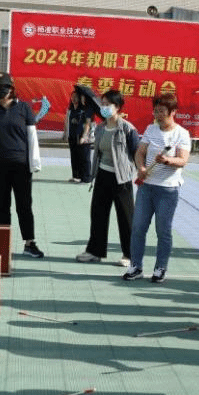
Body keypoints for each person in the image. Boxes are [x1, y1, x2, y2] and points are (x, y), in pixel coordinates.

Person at [123, 93, 191, 283]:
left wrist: (167, 160)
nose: (158, 115)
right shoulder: (150, 129)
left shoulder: (181, 134)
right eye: (156, 111)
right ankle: (135, 266)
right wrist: (141, 168)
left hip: (167, 190)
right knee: (138, 228)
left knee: (163, 231)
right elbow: (140, 152)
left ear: (173, 112)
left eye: (162, 111)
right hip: (146, 188)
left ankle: (160, 268)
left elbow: (183, 160)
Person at [0, 72, 44, 258]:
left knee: (24, 205)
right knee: (2, 206)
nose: (0, 90)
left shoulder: (24, 108)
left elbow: (32, 137)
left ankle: (29, 243)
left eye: (4, 87)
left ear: (12, 88)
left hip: (21, 167)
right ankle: (3, 245)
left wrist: (35, 163)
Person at [76, 89, 140, 267]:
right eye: (102, 104)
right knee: (98, 214)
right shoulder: (101, 127)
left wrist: (141, 172)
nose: (103, 108)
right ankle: (94, 252)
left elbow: (136, 153)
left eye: (107, 104)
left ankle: (129, 255)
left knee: (126, 217)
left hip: (122, 179)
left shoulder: (127, 128)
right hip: (102, 175)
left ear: (117, 107)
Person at [65, 86, 95, 183]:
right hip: (73, 137)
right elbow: (67, 122)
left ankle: (86, 178)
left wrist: (84, 136)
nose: (73, 99)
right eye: (72, 97)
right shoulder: (70, 110)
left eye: (76, 97)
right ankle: (76, 176)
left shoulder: (85, 109)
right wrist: (66, 134)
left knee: (84, 158)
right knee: (74, 157)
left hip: (83, 138)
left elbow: (87, 124)